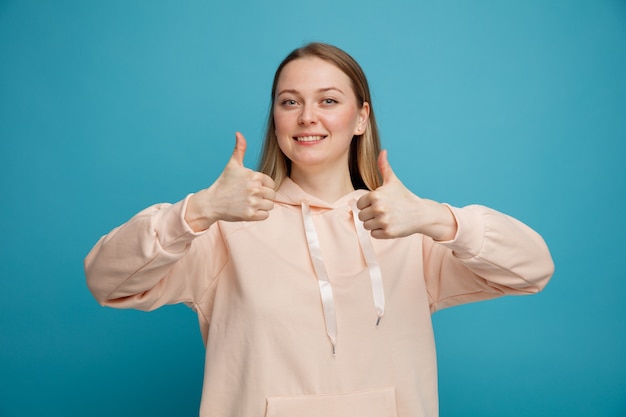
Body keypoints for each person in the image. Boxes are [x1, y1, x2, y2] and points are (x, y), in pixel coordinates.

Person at [85, 42, 554, 417]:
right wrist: (197, 210)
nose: (308, 116)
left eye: (328, 101)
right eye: (290, 102)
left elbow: (533, 268)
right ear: (276, 118)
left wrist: (435, 219)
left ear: (361, 118)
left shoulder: (407, 229)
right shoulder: (228, 228)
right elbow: (107, 281)